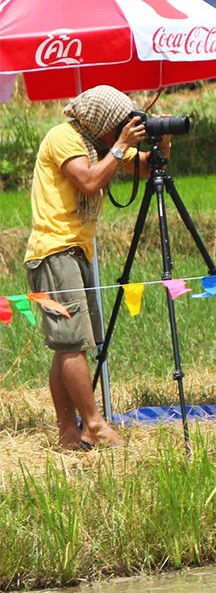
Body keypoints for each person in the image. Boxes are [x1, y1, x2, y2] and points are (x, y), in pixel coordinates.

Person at [25, 85, 167, 450]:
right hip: (55, 249)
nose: (122, 131)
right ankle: (94, 425)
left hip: (77, 250)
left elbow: (149, 165)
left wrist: (161, 138)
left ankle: (68, 434)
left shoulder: (101, 145)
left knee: (68, 346)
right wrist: (120, 145)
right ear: (101, 122)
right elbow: (89, 182)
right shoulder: (64, 138)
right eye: (118, 125)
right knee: (74, 344)